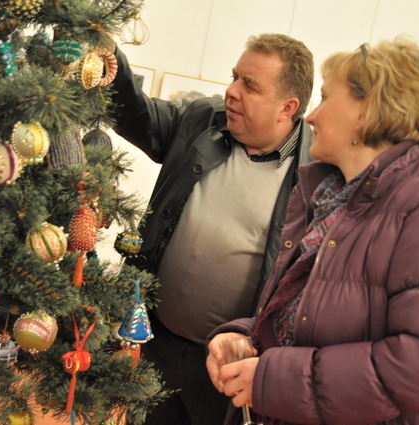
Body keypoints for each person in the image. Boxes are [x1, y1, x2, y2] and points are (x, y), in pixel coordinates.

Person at [206, 37, 419, 425]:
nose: (311, 116)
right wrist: (245, 338)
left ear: (366, 112)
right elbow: (307, 321)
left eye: (325, 99)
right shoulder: (330, 198)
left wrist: (274, 379)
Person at [109, 33, 315, 425]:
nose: (231, 91)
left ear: (287, 107)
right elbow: (137, 114)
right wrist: (109, 56)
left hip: (229, 369)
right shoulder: (203, 120)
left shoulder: (314, 175)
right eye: (235, 77)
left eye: (249, 85)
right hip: (157, 344)